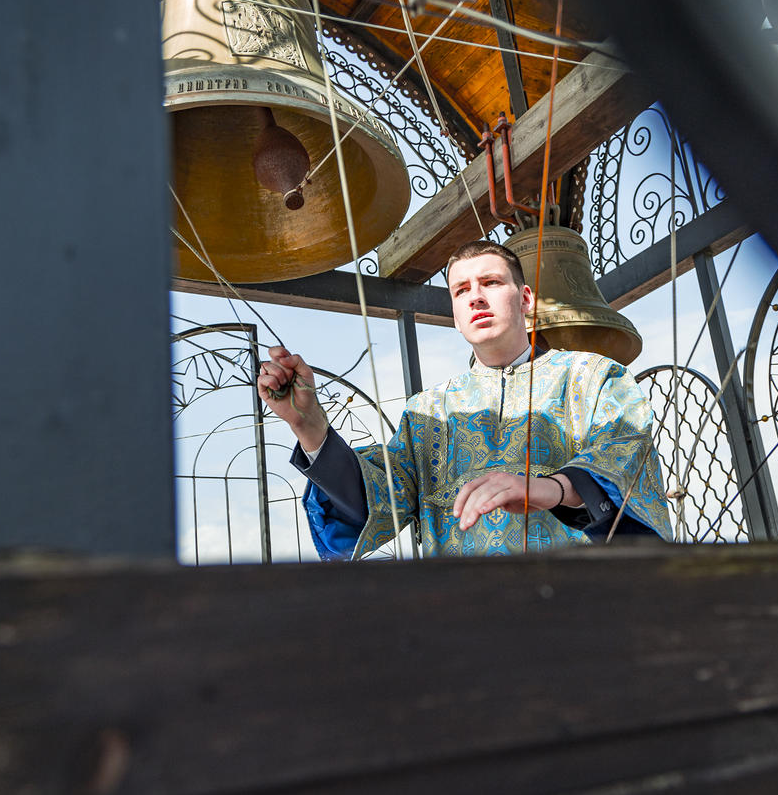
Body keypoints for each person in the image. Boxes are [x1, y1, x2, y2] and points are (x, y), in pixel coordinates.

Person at [257, 239, 673, 559]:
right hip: (465, 616)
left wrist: (554, 488)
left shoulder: (593, 377)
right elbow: (374, 504)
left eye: (491, 282)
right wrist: (309, 427)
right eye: (461, 290)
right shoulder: (427, 413)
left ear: (525, 298)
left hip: (580, 611)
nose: (475, 296)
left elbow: (624, 456)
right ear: (455, 314)